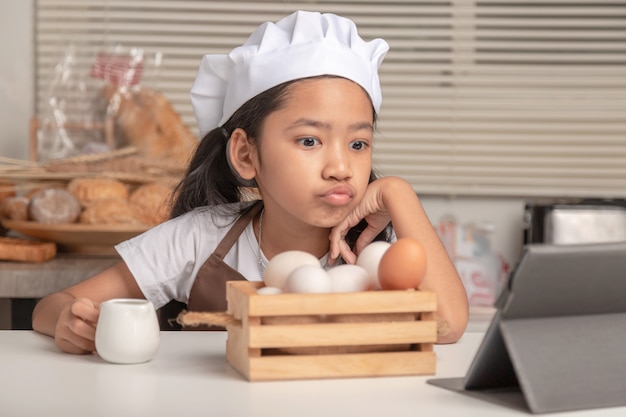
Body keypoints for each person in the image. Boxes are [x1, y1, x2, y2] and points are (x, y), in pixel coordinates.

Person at [32, 10, 469, 354]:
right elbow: (51, 306)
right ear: (246, 154)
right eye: (310, 140)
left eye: (358, 144)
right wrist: (69, 321)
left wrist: (398, 192)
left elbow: (449, 326)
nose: (341, 167)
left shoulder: (379, 254)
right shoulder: (200, 238)